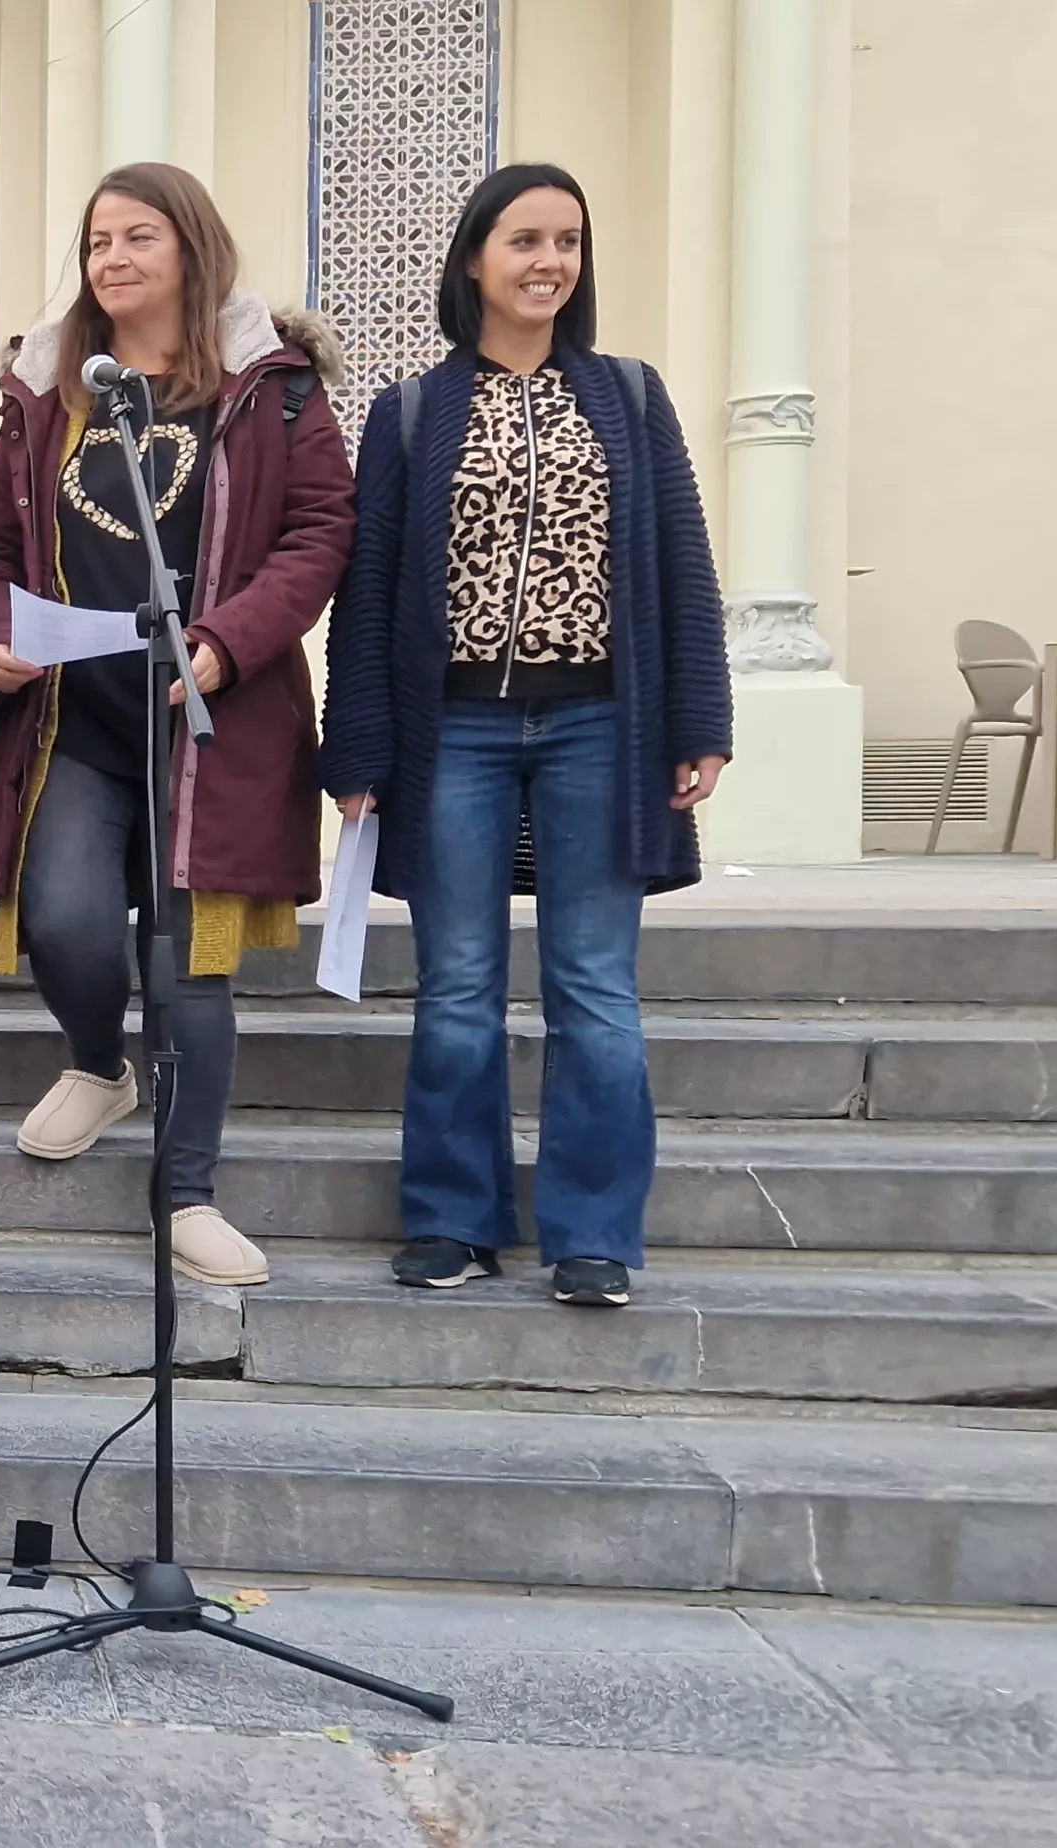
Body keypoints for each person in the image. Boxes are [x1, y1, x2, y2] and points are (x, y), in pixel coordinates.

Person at [324, 163, 732, 1310]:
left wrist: (699, 720)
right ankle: (452, 1220)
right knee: (455, 983)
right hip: (452, 727)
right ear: (473, 262)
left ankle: (592, 1234)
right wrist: (355, 750)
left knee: (594, 986)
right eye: (523, 240)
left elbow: (682, 571)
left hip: (601, 723)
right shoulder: (410, 412)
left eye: (567, 241)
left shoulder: (630, 398)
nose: (548, 261)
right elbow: (368, 592)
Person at [0, 164, 354, 1290]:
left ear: (189, 247)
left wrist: (226, 643)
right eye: (97, 242)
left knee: (190, 970)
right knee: (68, 918)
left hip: (210, 720)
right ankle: (98, 1062)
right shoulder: (46, 392)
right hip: (73, 718)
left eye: (139, 236)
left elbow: (320, 531)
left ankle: (185, 1195)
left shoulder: (270, 386)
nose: (114, 258)